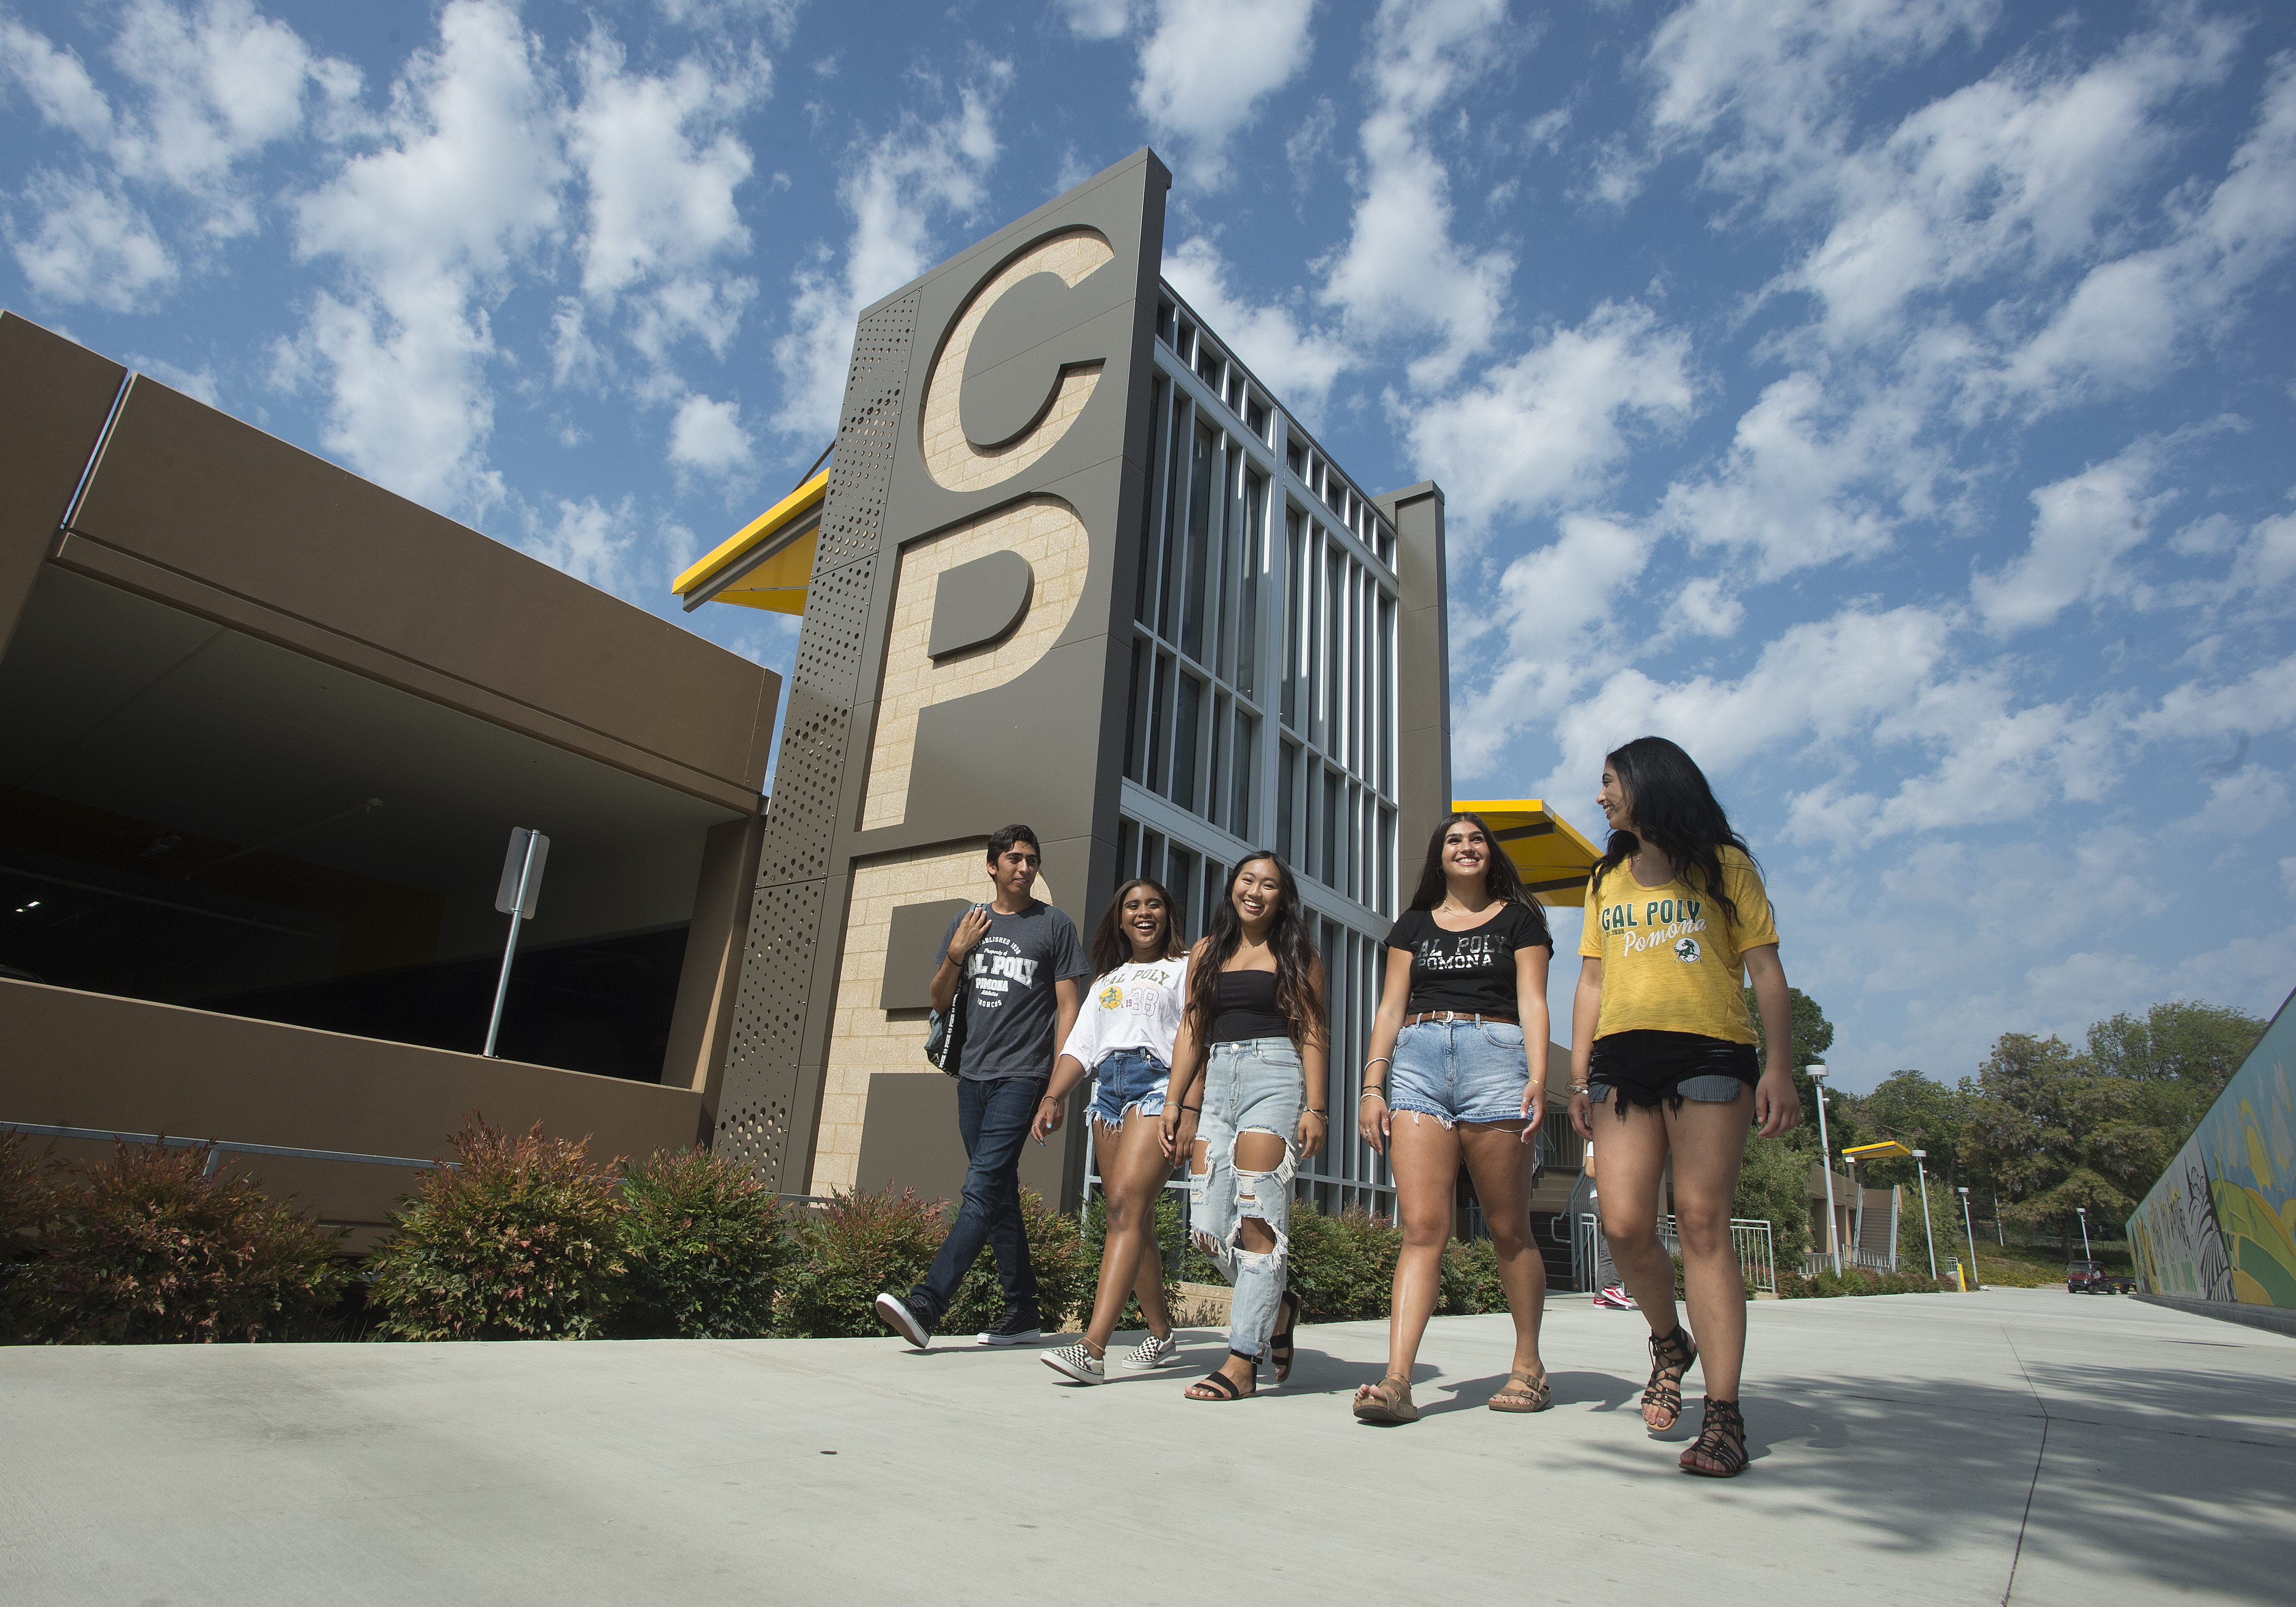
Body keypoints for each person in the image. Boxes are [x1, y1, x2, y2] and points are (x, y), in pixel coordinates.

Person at [1567, 736, 1800, 1477]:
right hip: (1622, 1064)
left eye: (1609, 783)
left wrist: (1782, 1069)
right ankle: (1670, 1342)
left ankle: (1724, 1415)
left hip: (1711, 1056)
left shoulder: (1725, 865)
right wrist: (1578, 1077)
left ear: (1646, 782)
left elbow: (1765, 969)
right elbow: (1593, 983)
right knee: (1625, 1224)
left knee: (1703, 1223)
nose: (1600, 796)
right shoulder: (1606, 878)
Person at [1352, 812, 1556, 1424]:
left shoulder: (1521, 920)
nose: (1466, 848)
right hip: (1415, 1064)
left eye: (1476, 840)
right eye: (1453, 841)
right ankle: (1397, 1382)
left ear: (1490, 855)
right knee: (1421, 1228)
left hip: (1495, 1061)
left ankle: (1529, 1367)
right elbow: (1389, 1006)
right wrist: (1371, 1083)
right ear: (1437, 858)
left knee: (1508, 1228)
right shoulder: (1412, 925)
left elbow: (1534, 1003)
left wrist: (1540, 1079)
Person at [875, 825, 1089, 1349]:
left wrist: (1055, 1090)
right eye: (1014, 859)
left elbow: (1068, 1008)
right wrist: (956, 950)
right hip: (972, 1076)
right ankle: (1022, 1310)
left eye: (1032, 860)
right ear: (991, 865)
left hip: (1024, 1077)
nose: (1024, 867)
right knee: (995, 1193)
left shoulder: (1054, 926)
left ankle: (928, 1302)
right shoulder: (968, 922)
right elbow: (938, 999)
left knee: (980, 1186)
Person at [1159, 853, 1328, 1401]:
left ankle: (1241, 1360)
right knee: (1207, 1230)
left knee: (1257, 1224)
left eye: (1269, 885)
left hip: (1274, 1079)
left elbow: (1312, 1033)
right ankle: (1278, 1309)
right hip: (1217, 1086)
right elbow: (1192, 1028)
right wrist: (1174, 1100)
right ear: (1232, 886)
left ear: (1283, 897)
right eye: (1247, 880)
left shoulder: (1295, 951)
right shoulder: (1207, 951)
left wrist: (1316, 1108)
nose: (1255, 892)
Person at [1033, 879, 1190, 1382]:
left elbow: (1197, 1037)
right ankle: (1162, 1334)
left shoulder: (1184, 968)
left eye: (1153, 905)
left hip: (1158, 1086)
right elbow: (1080, 1047)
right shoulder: (1107, 981)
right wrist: (1054, 1096)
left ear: (1167, 914)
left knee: (1123, 1206)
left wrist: (1185, 1105)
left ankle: (1092, 1348)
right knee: (1131, 1218)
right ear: (1120, 919)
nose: (1144, 913)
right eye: (1133, 906)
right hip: (1107, 1093)